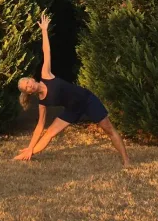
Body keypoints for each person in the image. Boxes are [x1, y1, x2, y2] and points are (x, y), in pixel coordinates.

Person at [14, 13, 130, 167]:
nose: (29, 85)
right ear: (28, 92)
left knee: (108, 129)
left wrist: (44, 30)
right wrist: (30, 147)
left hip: (87, 100)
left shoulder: (46, 75)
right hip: (71, 110)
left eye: (28, 82)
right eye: (26, 87)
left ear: (32, 79)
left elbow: (46, 52)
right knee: (48, 134)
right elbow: (40, 127)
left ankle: (126, 161)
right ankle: (28, 154)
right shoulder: (42, 102)